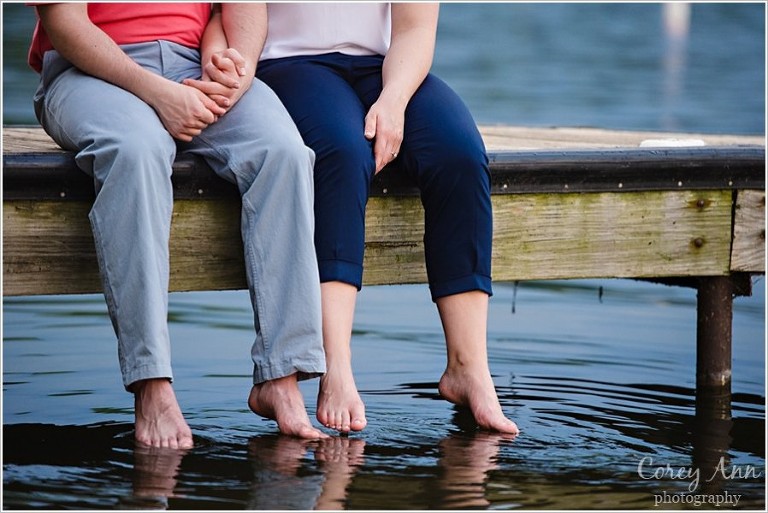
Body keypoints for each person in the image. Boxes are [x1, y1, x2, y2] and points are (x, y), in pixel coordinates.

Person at [29, 2, 328, 448]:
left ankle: (280, 376)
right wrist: (159, 94)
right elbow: (65, 24)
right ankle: (152, 387)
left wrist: (234, 72)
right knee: (136, 151)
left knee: (283, 153)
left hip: (192, 65)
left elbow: (241, 10)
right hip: (91, 71)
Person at [256, 3, 520, 435]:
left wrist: (393, 100)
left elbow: (415, 30)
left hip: (384, 67)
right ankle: (335, 367)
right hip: (287, 64)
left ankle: (467, 367)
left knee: (459, 154)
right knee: (342, 153)